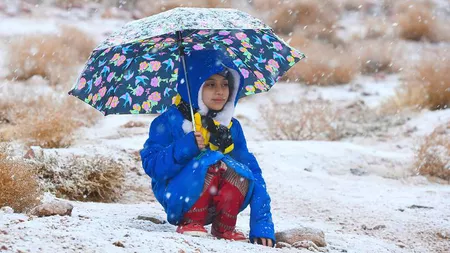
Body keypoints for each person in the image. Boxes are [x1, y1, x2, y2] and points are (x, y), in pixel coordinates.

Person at [140, 52, 275, 247]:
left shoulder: (230, 127)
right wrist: (185, 147)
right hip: (178, 197)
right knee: (210, 160)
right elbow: (152, 166)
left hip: (217, 201)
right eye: (210, 84)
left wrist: (262, 225)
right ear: (194, 87)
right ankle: (191, 220)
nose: (220, 91)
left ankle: (224, 226)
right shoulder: (169, 121)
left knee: (242, 171)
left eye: (225, 84)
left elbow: (253, 172)